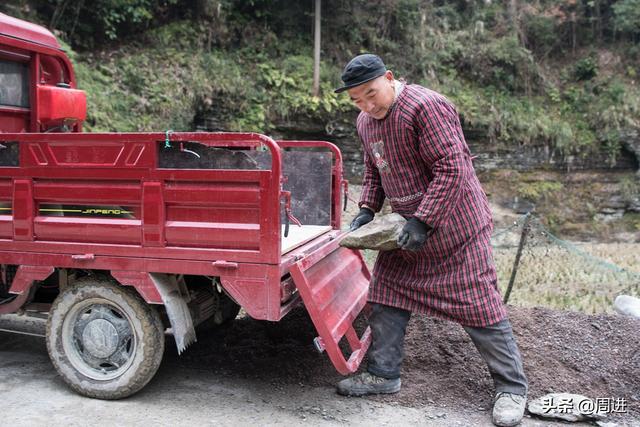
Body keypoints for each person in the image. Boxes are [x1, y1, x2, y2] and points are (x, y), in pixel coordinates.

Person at [334, 54, 528, 427]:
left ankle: (511, 388)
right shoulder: (365, 122)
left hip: (456, 228)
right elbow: (375, 169)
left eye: (372, 94)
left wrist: (425, 220)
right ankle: (384, 375)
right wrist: (366, 209)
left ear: (389, 78)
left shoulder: (426, 106)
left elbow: (453, 167)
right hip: (406, 233)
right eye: (357, 99)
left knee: (479, 306)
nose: (367, 105)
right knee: (386, 296)